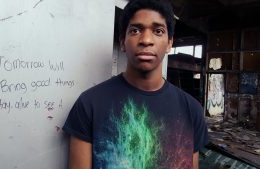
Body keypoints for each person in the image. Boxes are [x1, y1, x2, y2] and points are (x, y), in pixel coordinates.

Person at [62, 0, 209, 168]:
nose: (146, 40)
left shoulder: (192, 110)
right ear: (123, 41)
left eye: (158, 31)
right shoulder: (89, 104)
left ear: (169, 43)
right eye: (135, 30)